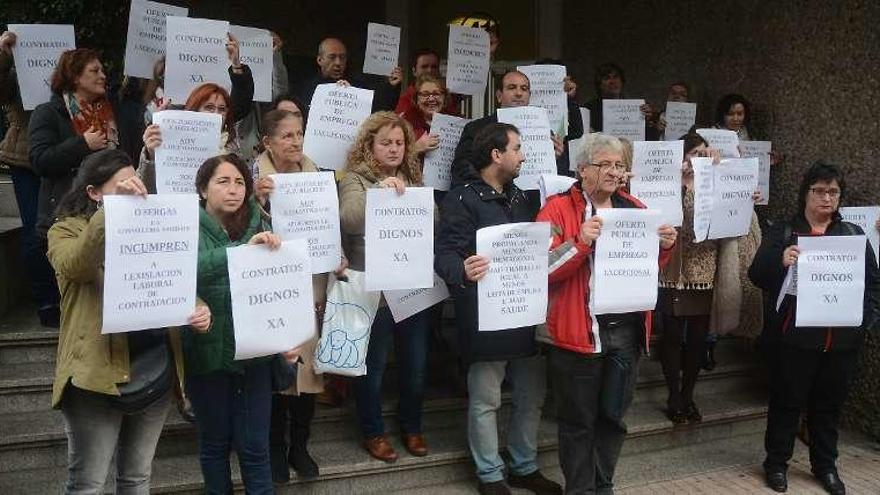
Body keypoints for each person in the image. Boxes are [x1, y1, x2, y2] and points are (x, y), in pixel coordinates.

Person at [46, 148, 211, 493]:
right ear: (93, 193)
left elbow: (169, 275)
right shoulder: (65, 231)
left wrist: (197, 308)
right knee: (87, 483)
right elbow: (77, 266)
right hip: (96, 378)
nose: (135, 190)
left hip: (155, 370)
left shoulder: (151, 224)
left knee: (137, 478)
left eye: (135, 181)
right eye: (122, 186)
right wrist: (112, 214)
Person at [536, 133, 676, 494]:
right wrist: (581, 241)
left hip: (626, 333)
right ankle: (580, 490)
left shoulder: (634, 208)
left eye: (620, 165)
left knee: (613, 419)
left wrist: (664, 248)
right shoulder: (555, 209)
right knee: (578, 423)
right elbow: (544, 270)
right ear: (583, 169)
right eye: (607, 165)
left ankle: (604, 486)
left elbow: (647, 270)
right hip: (578, 333)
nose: (616, 173)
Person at [436, 123, 561, 495]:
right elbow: (444, 254)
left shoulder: (523, 199)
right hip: (485, 315)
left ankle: (524, 465)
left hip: (525, 314)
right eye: (517, 148)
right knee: (486, 398)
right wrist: (461, 269)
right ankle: (490, 473)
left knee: (530, 396)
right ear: (496, 155)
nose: (523, 155)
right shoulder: (461, 199)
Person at [749, 161, 880, 495]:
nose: (826, 198)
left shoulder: (851, 234)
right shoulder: (784, 231)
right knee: (786, 403)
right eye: (819, 191)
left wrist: (866, 321)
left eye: (833, 192)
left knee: (829, 406)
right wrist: (780, 261)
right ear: (806, 193)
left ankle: (826, 467)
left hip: (841, 341)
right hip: (794, 339)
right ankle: (776, 464)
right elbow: (756, 274)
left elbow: (873, 283)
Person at [186, 153, 298, 494]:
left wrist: (286, 335)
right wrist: (241, 254)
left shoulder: (260, 225)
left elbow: (279, 288)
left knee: (255, 451)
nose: (233, 189)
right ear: (203, 189)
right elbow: (185, 270)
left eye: (239, 182)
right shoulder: (186, 226)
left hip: (255, 360)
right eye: (223, 181)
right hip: (208, 358)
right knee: (215, 446)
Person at [251, 109, 347, 482]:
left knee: (308, 375)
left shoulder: (318, 179)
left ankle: (300, 446)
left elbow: (329, 229)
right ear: (268, 142)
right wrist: (256, 202)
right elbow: (236, 229)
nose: (295, 142)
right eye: (287, 136)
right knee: (278, 369)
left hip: (312, 288)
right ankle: (274, 447)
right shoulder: (250, 176)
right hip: (270, 288)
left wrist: (337, 256)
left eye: (299, 134)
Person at [338, 111, 433, 463]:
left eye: (399, 143)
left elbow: (434, 219)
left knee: (416, 364)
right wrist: (379, 193)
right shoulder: (355, 180)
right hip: (373, 289)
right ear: (370, 146)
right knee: (373, 367)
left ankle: (412, 426)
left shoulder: (412, 176)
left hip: (411, 286)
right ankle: (373, 431)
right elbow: (348, 219)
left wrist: (413, 197)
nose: (394, 149)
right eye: (386, 143)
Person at [1, 31, 58, 327]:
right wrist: (3, 55)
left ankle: (61, 296)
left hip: (59, 157)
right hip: (24, 160)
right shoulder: (12, 75)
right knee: (35, 232)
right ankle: (46, 300)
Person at [450, 70, 570, 188]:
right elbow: (461, 170)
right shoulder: (476, 129)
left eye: (524, 89)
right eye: (512, 87)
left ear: (529, 96)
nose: (519, 93)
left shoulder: (544, 131)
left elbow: (560, 178)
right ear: (499, 96)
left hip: (532, 203)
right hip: (489, 201)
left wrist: (555, 160)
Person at [138, 81, 253, 192]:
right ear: (194, 110)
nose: (216, 113)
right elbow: (145, 189)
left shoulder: (234, 152)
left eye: (222, 109)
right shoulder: (168, 143)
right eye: (209, 107)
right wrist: (152, 155)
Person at [295, 37, 401, 113]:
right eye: (332, 57)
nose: (338, 63)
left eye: (342, 57)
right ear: (320, 60)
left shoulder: (358, 87)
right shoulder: (307, 89)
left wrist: (391, 87)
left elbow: (380, 109)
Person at [583, 62, 658, 140]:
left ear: (622, 81)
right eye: (606, 78)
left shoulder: (637, 107)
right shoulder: (589, 109)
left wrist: (649, 122)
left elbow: (649, 140)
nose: (612, 82)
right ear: (599, 85)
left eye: (616, 77)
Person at [395, 48, 461, 115]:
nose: (429, 70)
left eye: (434, 67)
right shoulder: (405, 101)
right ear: (414, 71)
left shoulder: (448, 100)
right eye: (424, 67)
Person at [400, 73, 447, 157]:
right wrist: (415, 148)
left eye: (436, 94)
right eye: (425, 94)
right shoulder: (403, 125)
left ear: (444, 98)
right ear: (416, 100)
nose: (431, 99)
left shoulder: (456, 126)